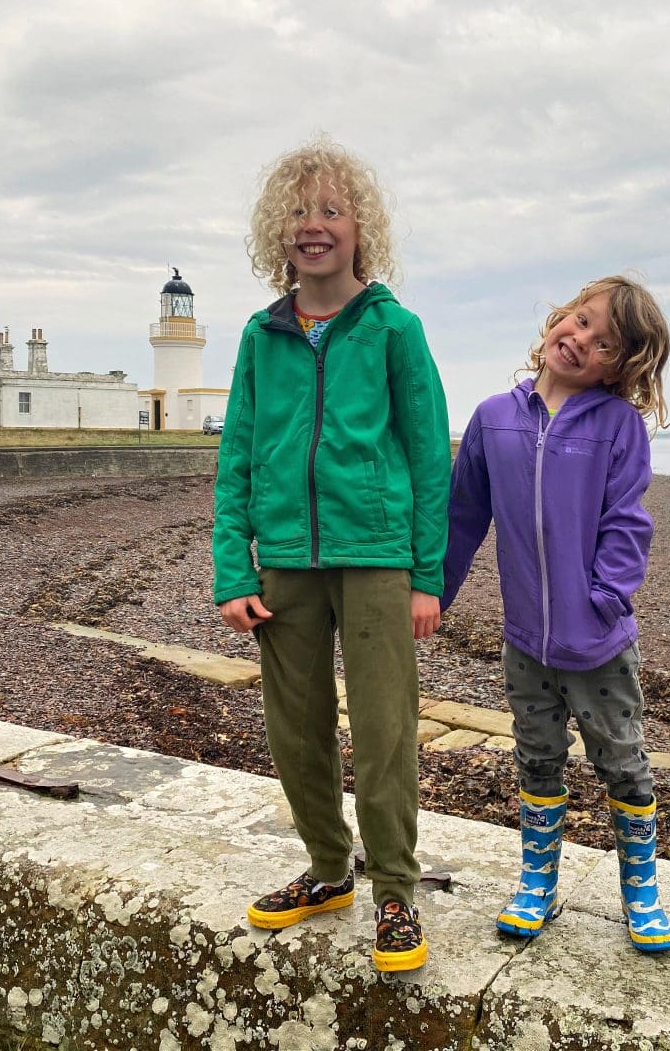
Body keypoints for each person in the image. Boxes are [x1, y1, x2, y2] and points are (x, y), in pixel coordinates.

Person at [212, 136, 450, 973]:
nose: (314, 226)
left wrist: (428, 576)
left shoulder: (393, 329)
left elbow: (429, 458)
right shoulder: (259, 336)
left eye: (331, 211)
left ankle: (393, 890)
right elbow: (237, 454)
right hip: (284, 559)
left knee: (385, 730)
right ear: (280, 233)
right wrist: (233, 571)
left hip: (378, 557)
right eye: (299, 213)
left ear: (359, 230)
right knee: (296, 727)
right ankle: (326, 869)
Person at [440, 274, 670, 952]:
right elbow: (464, 517)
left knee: (622, 763)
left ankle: (642, 893)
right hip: (525, 643)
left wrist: (606, 598)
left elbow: (627, 522)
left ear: (620, 367)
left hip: (598, 642)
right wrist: (433, 592)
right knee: (537, 761)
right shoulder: (494, 418)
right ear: (555, 321)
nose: (579, 340)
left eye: (603, 342)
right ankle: (536, 883)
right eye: (577, 321)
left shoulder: (618, 427)